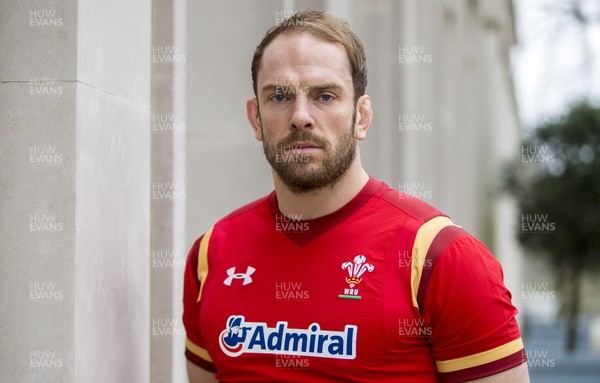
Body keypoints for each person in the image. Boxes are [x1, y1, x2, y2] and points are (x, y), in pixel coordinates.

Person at [183, 9, 530, 383]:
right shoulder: (211, 254)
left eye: (325, 96)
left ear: (361, 117)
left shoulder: (440, 257)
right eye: (279, 96)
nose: (301, 116)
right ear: (255, 119)